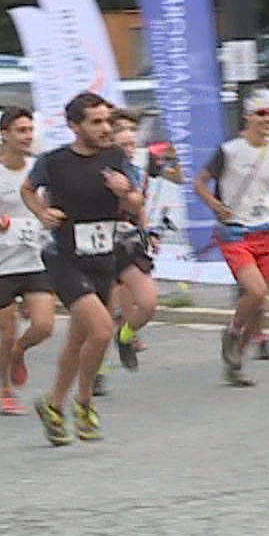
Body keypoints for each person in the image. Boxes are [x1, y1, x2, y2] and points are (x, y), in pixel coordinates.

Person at [22, 91, 143, 446]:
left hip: (102, 258)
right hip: (64, 258)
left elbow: (136, 201)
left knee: (79, 339)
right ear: (74, 126)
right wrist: (42, 213)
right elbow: (29, 189)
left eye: (108, 120)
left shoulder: (116, 157)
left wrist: (125, 192)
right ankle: (84, 403)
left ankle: (53, 404)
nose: (106, 128)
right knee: (103, 331)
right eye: (97, 122)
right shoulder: (54, 162)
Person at [195, 88, 269, 386]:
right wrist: (215, 205)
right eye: (261, 114)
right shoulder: (229, 150)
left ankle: (236, 361)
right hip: (236, 233)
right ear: (248, 116)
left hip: (266, 229)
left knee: (260, 304)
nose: (268, 119)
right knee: (256, 293)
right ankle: (231, 332)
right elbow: (200, 183)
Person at [0, 106, 55, 416]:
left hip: (34, 256)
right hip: (2, 260)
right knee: (6, 328)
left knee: (44, 325)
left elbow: (51, 203)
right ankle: (4, 390)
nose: (28, 136)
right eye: (21, 130)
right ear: (5, 134)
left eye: (30, 130)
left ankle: (19, 350)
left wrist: (51, 215)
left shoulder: (39, 168)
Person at [107, 107, 159, 382]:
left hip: (126, 243)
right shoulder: (95, 169)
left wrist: (147, 230)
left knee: (148, 303)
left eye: (132, 144)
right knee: (101, 314)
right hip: (97, 246)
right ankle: (97, 371)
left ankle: (125, 335)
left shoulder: (135, 173)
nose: (129, 149)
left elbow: (138, 205)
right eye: (123, 144)